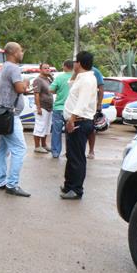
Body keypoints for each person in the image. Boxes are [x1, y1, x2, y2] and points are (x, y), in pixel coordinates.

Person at [0, 42, 31, 197]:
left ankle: (0, 181)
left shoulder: (3, 67)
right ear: (14, 52)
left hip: (2, 113)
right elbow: (20, 88)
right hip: (10, 115)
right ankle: (12, 184)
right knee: (20, 149)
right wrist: (26, 83)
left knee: (3, 149)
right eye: (21, 51)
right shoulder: (14, 68)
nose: (22, 53)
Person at [60, 51, 98, 199]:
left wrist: (72, 119)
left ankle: (76, 190)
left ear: (79, 63)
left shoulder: (87, 80)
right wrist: (75, 73)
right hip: (76, 120)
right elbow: (71, 86)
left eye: (75, 62)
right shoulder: (82, 77)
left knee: (77, 158)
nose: (73, 64)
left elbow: (82, 103)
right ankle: (69, 185)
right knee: (71, 155)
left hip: (79, 121)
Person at [49, 60, 73, 159]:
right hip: (71, 110)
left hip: (58, 108)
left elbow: (51, 89)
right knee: (71, 131)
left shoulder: (59, 77)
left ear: (65, 66)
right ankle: (70, 152)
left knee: (56, 132)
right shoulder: (76, 77)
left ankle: (55, 152)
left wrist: (58, 90)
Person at [32, 63, 53, 153]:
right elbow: (36, 94)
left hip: (49, 107)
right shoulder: (38, 80)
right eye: (45, 68)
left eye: (48, 68)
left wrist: (51, 77)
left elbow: (54, 87)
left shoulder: (47, 79)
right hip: (42, 107)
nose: (47, 69)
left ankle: (44, 145)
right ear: (40, 69)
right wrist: (38, 108)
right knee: (39, 127)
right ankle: (37, 146)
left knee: (46, 127)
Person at [87, 66, 105, 159]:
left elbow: (101, 89)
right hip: (78, 105)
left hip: (91, 106)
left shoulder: (95, 72)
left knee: (91, 128)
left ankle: (91, 151)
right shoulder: (76, 71)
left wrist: (99, 104)